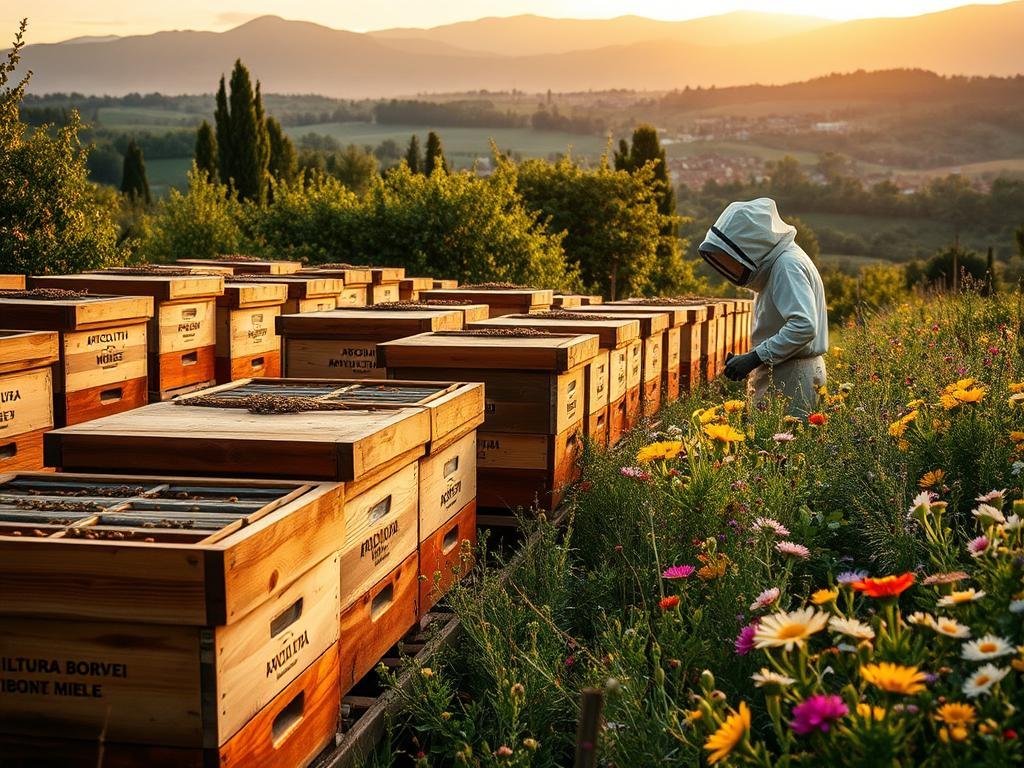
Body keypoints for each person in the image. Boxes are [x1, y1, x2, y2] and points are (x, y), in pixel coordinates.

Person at [698, 197, 828, 417]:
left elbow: (804, 326)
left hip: (793, 377)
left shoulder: (787, 266)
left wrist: (754, 358)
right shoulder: (783, 263)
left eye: (733, 257)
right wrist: (752, 357)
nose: (734, 265)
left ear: (750, 245)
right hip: (787, 371)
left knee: (785, 446)